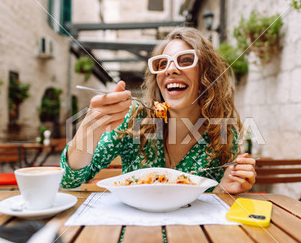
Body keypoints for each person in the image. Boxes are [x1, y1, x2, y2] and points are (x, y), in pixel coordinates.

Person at [60, 27, 256, 193]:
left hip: (190, 236)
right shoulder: (134, 120)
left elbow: (213, 202)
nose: (170, 70)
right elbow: (69, 182)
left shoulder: (221, 132)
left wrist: (226, 186)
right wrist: (89, 130)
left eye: (185, 60)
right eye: (162, 64)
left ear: (208, 74)